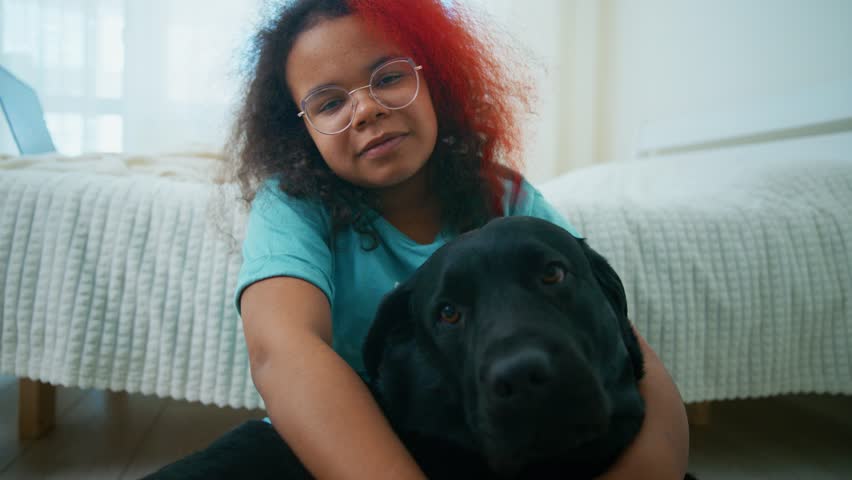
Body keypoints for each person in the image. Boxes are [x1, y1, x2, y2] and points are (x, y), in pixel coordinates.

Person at [148, 0, 689, 478]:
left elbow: (619, 334)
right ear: (302, 132)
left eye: (387, 77)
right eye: (329, 103)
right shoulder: (292, 206)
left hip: (484, 431)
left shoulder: (505, 197)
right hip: (337, 435)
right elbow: (280, 352)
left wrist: (649, 469)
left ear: (438, 81)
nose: (366, 109)